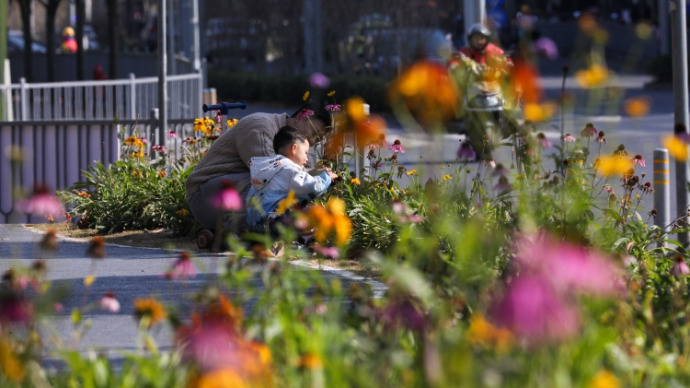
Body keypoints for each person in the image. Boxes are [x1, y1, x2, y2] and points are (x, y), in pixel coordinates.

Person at [185, 100, 332, 233]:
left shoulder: (290, 141)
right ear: (301, 116)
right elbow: (273, 177)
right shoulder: (261, 127)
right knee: (269, 187)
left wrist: (314, 173)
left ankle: (264, 229)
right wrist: (316, 179)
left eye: (317, 140)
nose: (312, 140)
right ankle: (252, 231)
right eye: (313, 133)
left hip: (227, 191)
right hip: (204, 195)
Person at [245, 125, 337, 234]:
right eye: (306, 153)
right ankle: (300, 241)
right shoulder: (290, 169)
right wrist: (327, 177)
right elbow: (313, 187)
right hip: (272, 224)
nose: (307, 158)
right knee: (315, 214)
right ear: (294, 149)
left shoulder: (271, 167)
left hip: (253, 225)